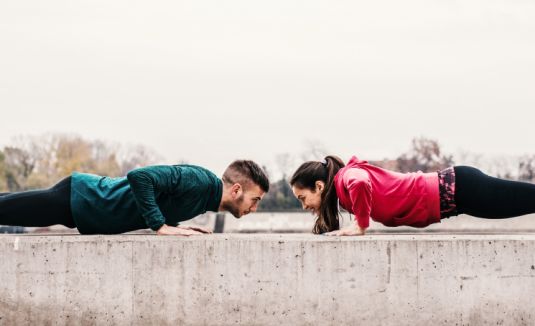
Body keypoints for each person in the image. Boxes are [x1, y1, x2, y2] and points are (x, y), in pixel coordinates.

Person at [0, 160, 269, 235]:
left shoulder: (204, 198)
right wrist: (159, 226)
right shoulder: (200, 182)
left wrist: (174, 225)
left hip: (83, 210)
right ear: (236, 190)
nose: (254, 208)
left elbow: (165, 199)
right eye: (255, 200)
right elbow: (140, 177)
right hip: (81, 197)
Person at [290, 155, 535, 236]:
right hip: (457, 200)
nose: (303, 206)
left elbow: (362, 183)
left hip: (459, 188)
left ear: (319, 186)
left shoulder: (345, 177)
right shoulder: (344, 193)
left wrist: (361, 225)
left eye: (302, 198)